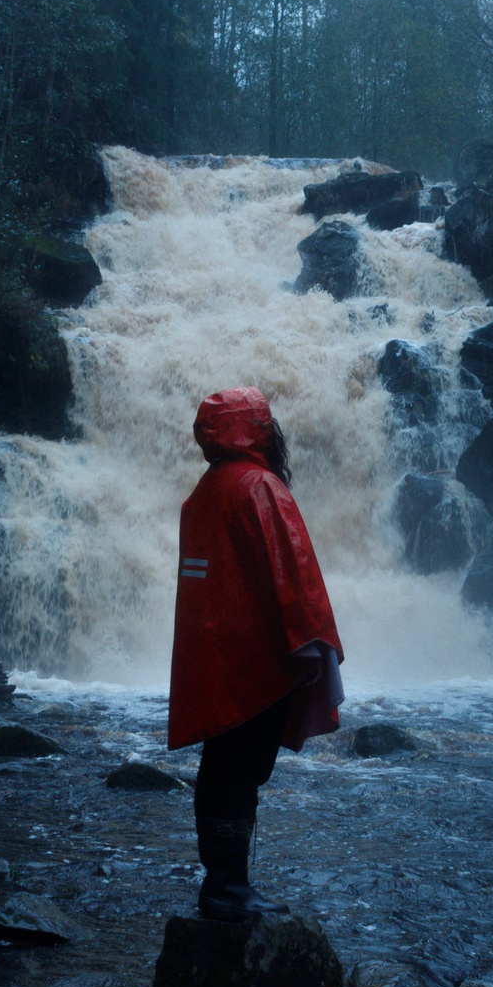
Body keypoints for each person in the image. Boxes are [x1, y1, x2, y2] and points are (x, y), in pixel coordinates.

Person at [167, 388, 344, 922]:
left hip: (213, 655)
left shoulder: (204, 493)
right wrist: (313, 643)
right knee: (241, 774)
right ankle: (229, 888)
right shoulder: (262, 488)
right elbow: (295, 573)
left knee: (220, 767)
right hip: (257, 659)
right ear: (260, 430)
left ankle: (221, 882)